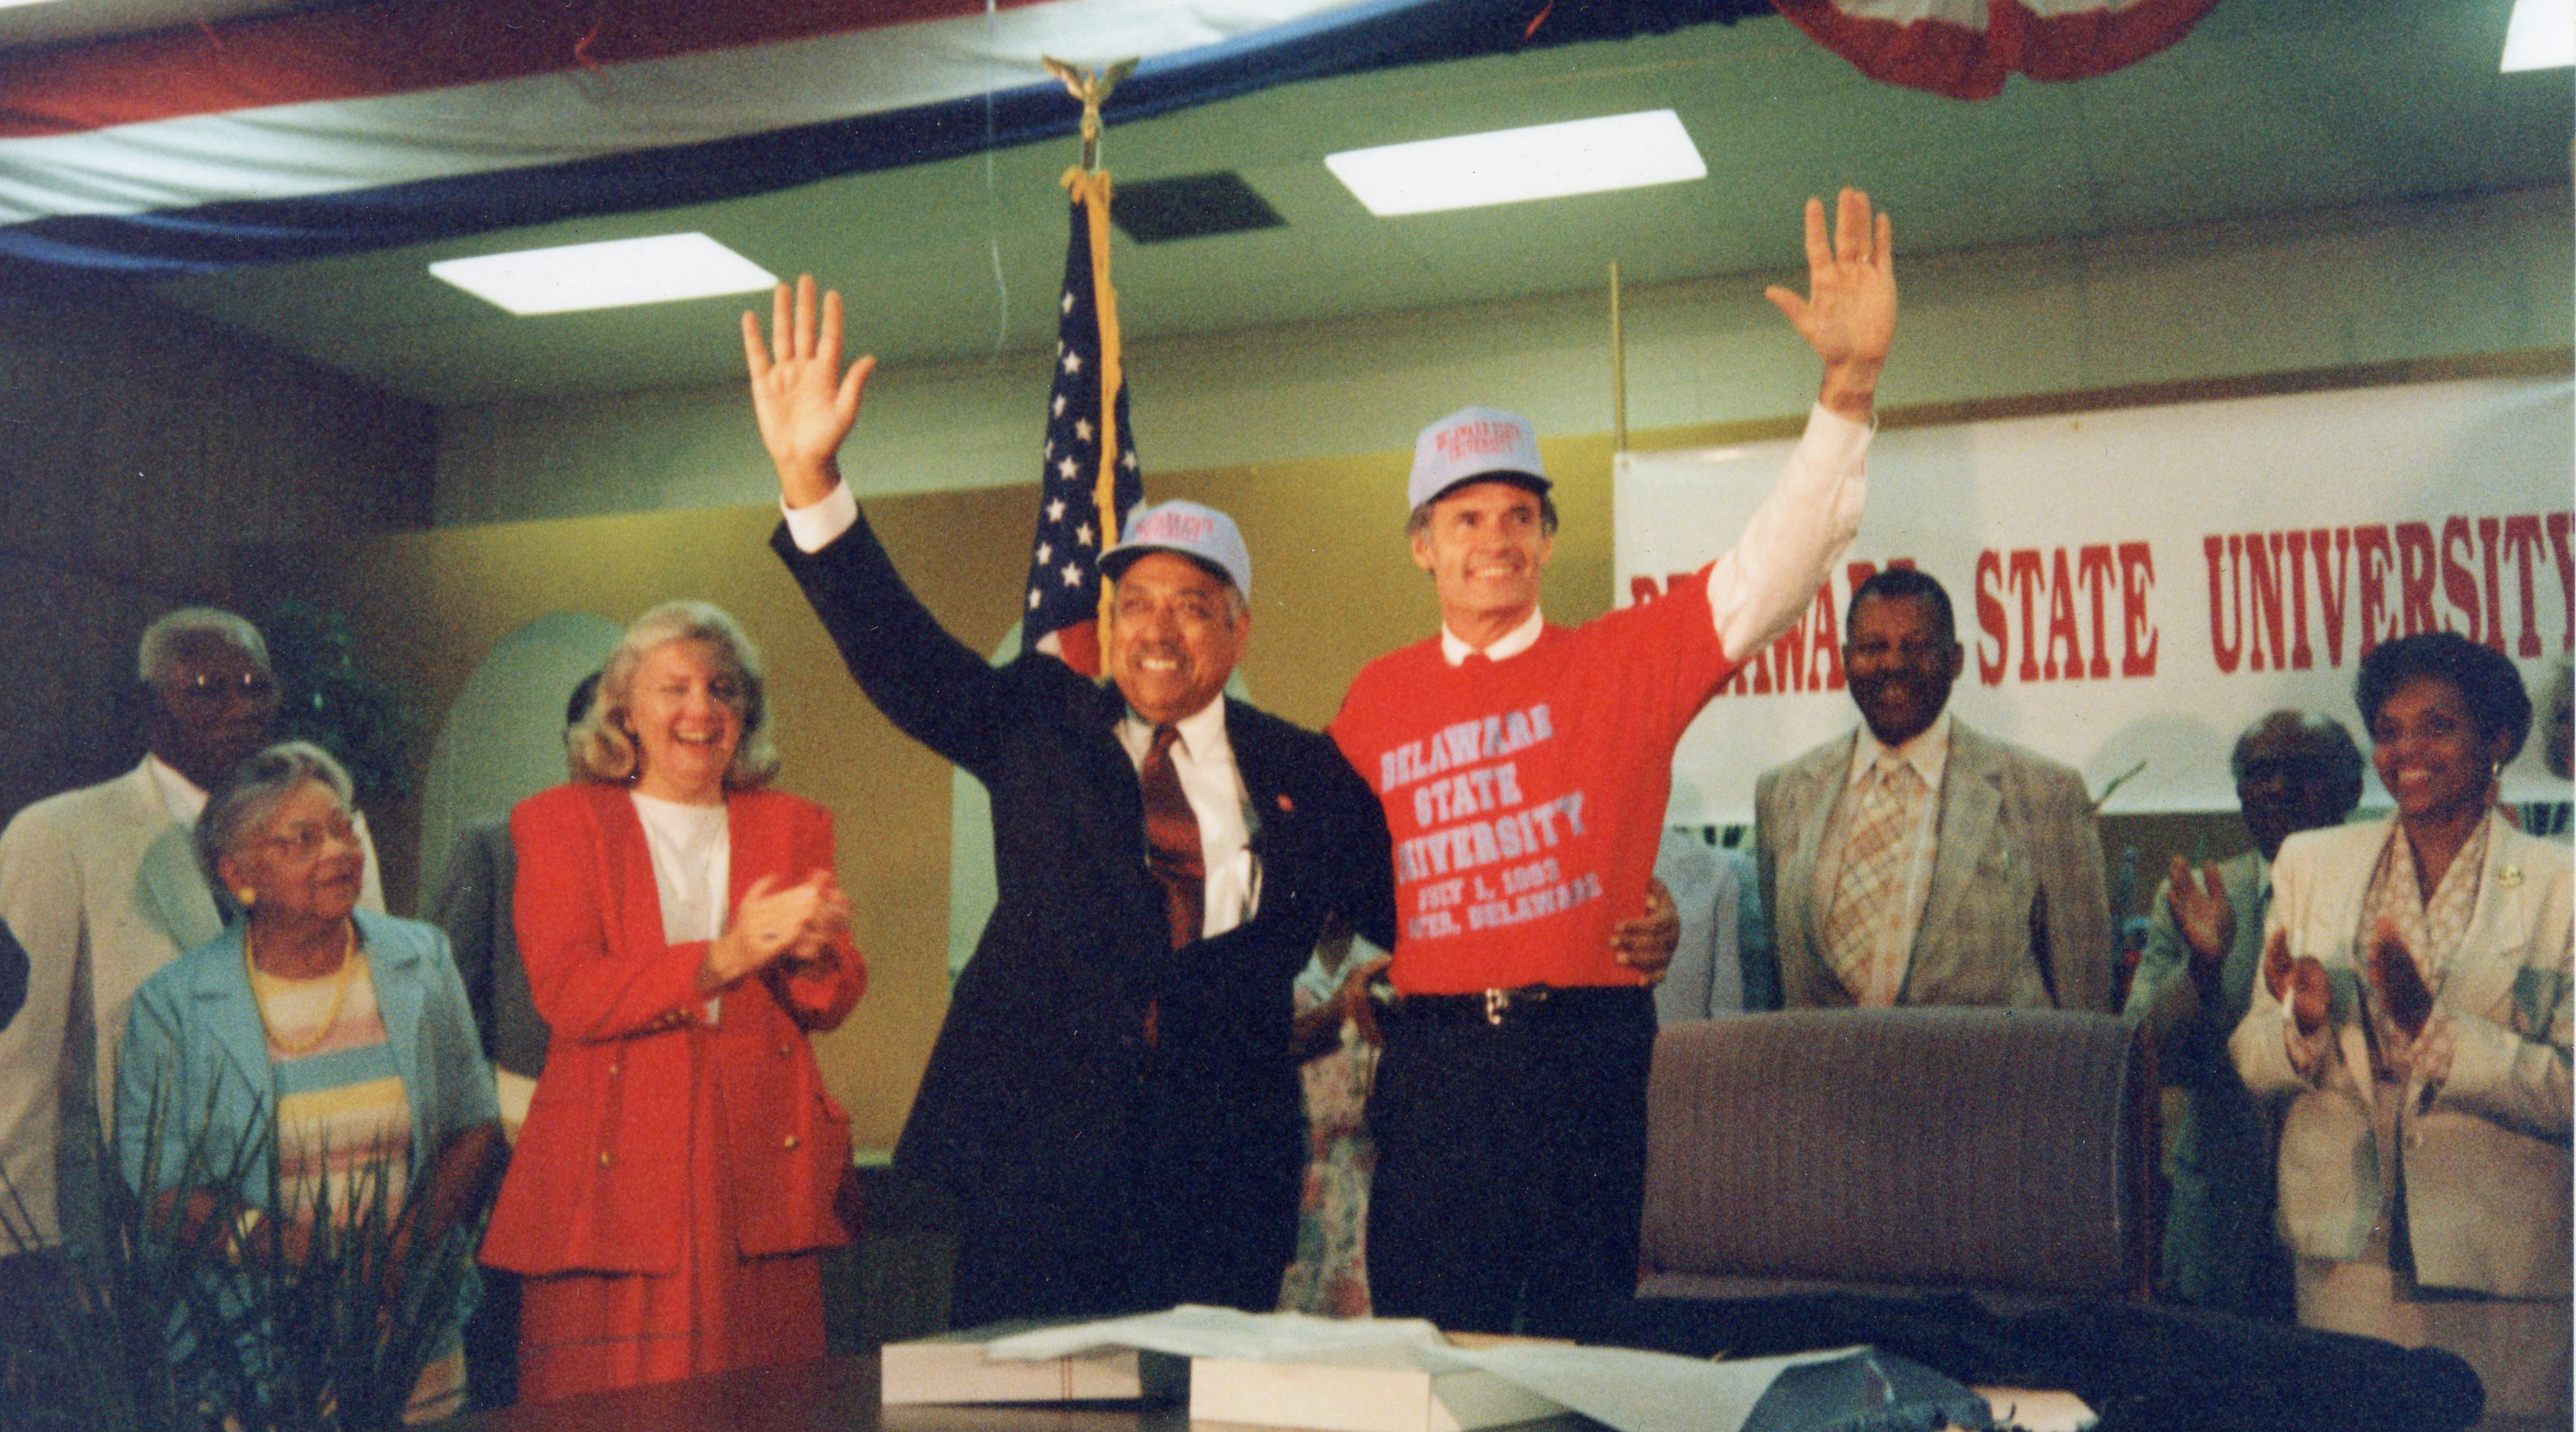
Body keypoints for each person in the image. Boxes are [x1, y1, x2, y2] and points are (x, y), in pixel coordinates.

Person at [746, 277, 1399, 1324]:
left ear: (1235, 631)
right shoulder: (1040, 723)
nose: (1155, 629)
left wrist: (1612, 919)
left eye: (1190, 605)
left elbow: (1413, 906)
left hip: (1219, 1179)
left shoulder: (1306, 767)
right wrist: (810, 477)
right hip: (1035, 1168)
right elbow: (899, 650)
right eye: (1133, 601)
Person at [1326, 188, 1894, 1337]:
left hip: (1581, 1053)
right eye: (1464, 518)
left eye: (1516, 516)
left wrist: (1846, 390)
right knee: (1431, 1345)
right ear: (1421, 547)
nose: (1492, 540)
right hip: (1434, 1067)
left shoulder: (1624, 660)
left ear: (1546, 537)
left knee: (1589, 1340)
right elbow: (1317, 880)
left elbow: (1771, 567)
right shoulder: (1373, 697)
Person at [478, 602, 865, 1402]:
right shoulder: (558, 822)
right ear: (624, 708)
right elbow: (570, 995)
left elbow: (827, 1001)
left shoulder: (791, 823)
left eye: (724, 689)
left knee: (765, 1402)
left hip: (758, 1159)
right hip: (615, 1162)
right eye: (674, 688)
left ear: (746, 712)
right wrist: (727, 956)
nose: (702, 710)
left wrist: (816, 952)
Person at [2232, 631, 2571, 1425]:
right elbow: (2250, 1055)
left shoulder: (2559, 884)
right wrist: (2301, 1026)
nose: (2406, 751)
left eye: (2438, 727)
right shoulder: (2314, 863)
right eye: (2388, 730)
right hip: (2346, 1264)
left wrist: (2436, 1030)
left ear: (2499, 742)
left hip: (2506, 1277)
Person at [115, 742, 498, 1424]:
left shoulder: (420, 959)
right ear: (238, 874)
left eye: (343, 828)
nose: (340, 852)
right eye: (303, 840)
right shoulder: (173, 1006)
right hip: (253, 1339)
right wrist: (317, 1256)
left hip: (409, 1326)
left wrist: (401, 1253)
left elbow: (473, 1124)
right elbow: (163, 1190)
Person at [0, 609, 384, 1276]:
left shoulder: (336, 830)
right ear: (149, 706)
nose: (237, 707)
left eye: (253, 686)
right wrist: (22, 1253)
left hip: (324, 1227)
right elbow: (19, 1069)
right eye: (206, 687)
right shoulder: (60, 835)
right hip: (140, 1243)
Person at [1755, 567, 2113, 1012]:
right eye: (1873, 648)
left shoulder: (2046, 794)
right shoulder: (1785, 793)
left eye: (1917, 647)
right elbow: (1780, 985)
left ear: (1956, 659)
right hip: (1829, 1081)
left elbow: (2087, 1010)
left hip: (1988, 1081)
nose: (1893, 664)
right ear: (1846, 659)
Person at [2128, 711, 2364, 1320]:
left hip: (2352, 1239)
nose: (2279, 788)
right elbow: (2140, 1056)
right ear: (2239, 795)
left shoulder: (2381, 894)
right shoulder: (2194, 899)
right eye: (2261, 773)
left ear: (2351, 790)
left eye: (2304, 771)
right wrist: (2201, 971)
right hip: (2220, 1234)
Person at [426, 670, 596, 1411]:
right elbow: (454, 1018)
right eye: (596, 729)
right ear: (568, 742)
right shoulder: (500, 847)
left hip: (637, 1164)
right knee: (515, 1375)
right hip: (520, 1163)